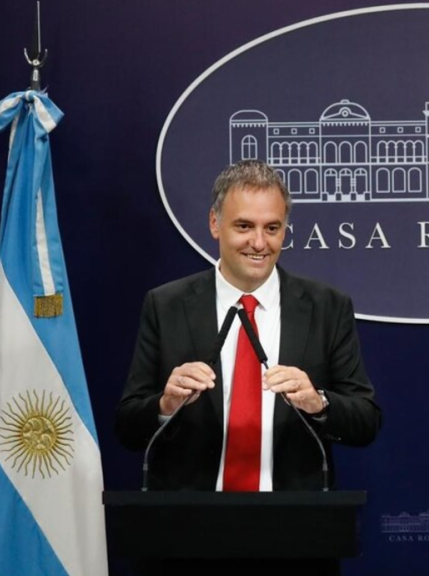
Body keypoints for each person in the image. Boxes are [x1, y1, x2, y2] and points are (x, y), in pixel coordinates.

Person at [116, 160, 381, 494]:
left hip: (294, 517)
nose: (259, 243)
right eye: (244, 226)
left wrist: (319, 403)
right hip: (191, 516)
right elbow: (127, 427)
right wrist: (166, 405)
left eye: (272, 228)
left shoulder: (327, 307)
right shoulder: (166, 305)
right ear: (215, 223)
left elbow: (366, 421)